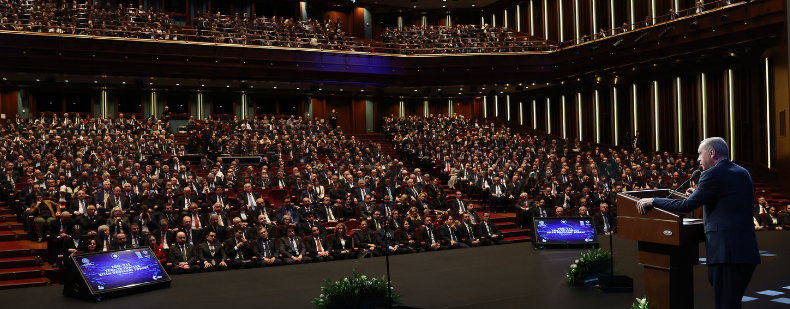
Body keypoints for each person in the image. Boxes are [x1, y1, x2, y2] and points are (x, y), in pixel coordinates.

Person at [636, 137, 759, 309]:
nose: (698, 159)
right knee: (732, 303)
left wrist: (653, 201)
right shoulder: (742, 172)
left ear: (712, 152)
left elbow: (685, 205)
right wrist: (698, 192)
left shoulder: (712, 174)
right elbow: (728, 199)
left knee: (725, 305)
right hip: (747, 252)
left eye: (700, 154)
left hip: (726, 254)